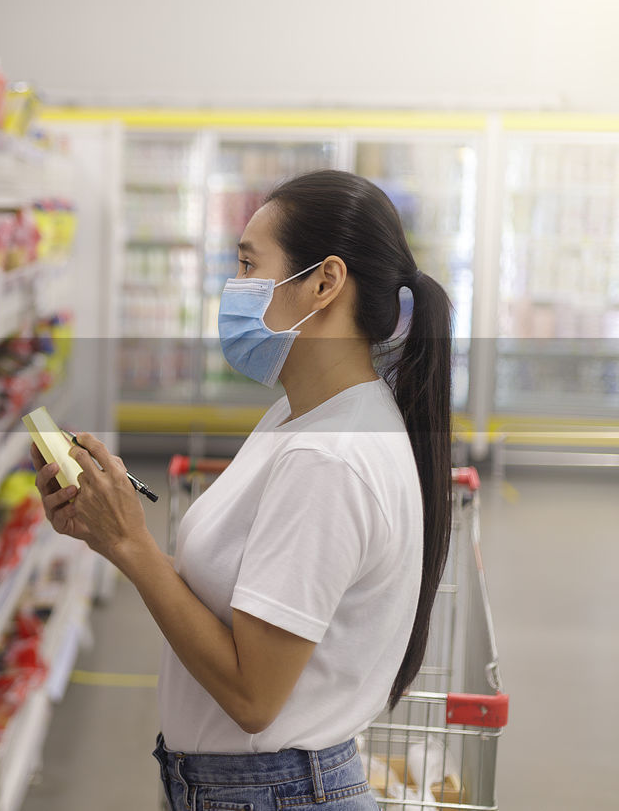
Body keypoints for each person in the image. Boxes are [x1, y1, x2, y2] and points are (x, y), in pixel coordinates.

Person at [32, 169, 453, 810]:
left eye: (249, 265)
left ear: (324, 283)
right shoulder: (306, 413)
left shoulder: (329, 461)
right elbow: (242, 597)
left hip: (272, 794)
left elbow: (253, 695)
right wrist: (106, 522)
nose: (234, 288)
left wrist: (130, 545)